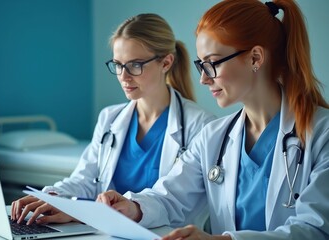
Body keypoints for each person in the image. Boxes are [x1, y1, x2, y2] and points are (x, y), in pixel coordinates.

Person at [97, 1, 329, 239]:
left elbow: (315, 230)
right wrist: (133, 207)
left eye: (212, 64)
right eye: (201, 65)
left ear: (255, 58)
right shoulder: (214, 136)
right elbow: (171, 197)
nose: (204, 80)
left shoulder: (323, 134)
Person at [11, 13, 216, 226]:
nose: (124, 76)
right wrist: (53, 197)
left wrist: (108, 210)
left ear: (166, 62)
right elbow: (84, 180)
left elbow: (175, 201)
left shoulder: (200, 126)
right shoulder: (110, 118)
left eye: (135, 65)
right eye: (118, 64)